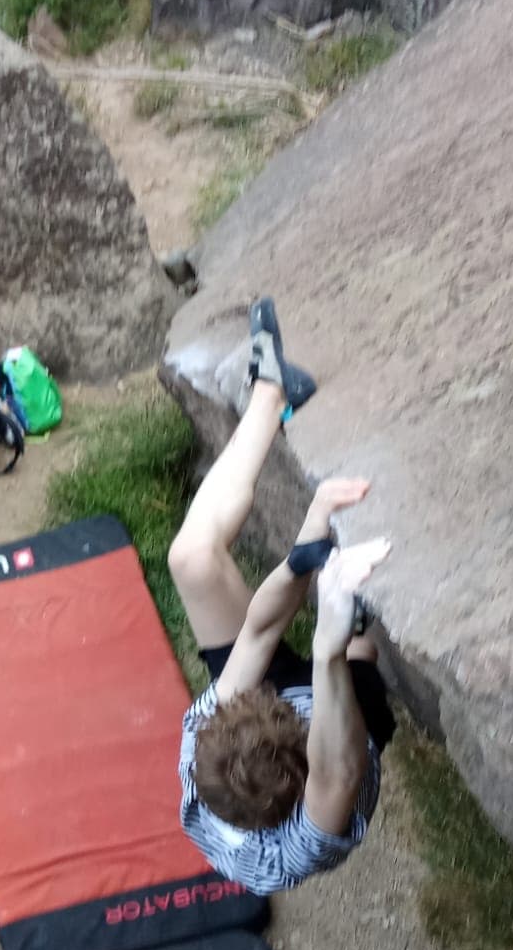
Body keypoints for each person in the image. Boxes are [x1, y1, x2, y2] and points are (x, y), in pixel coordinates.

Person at [168, 296, 396, 896]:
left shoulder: (205, 744)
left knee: (190, 561)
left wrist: (307, 546)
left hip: (267, 725)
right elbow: (336, 763)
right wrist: (331, 639)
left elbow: (260, 633)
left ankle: (272, 391)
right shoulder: (311, 832)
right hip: (334, 740)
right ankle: (360, 635)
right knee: (355, 661)